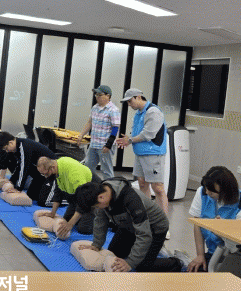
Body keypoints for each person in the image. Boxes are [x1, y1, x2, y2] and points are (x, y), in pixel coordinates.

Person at [75, 178, 181, 272]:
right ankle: (147, 251)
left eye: (96, 207)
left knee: (141, 266)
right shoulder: (101, 192)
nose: (97, 209)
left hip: (154, 229)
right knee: (114, 253)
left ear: (101, 197)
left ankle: (177, 262)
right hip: (128, 225)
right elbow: (100, 220)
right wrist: (96, 244)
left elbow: (144, 234)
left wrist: (130, 262)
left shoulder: (131, 200)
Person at [115, 88, 169, 238]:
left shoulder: (153, 112)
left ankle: (163, 226)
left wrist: (130, 140)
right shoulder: (138, 113)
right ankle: (149, 219)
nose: (129, 105)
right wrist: (128, 139)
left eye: (130, 101)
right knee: (142, 184)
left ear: (138, 97)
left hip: (153, 153)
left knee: (158, 188)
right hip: (140, 153)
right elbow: (137, 132)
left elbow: (148, 134)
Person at [187, 166, 241, 272]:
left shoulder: (240, 204)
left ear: (226, 191)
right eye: (206, 188)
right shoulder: (202, 192)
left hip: (233, 256)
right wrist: (200, 255)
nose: (208, 192)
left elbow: (236, 245)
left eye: (212, 190)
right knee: (193, 272)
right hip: (213, 253)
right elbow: (198, 224)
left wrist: (222, 230)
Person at [35, 156, 100, 236]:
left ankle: (99, 213)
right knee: (65, 220)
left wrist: (70, 224)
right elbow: (58, 192)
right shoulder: (57, 168)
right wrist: (52, 213)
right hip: (76, 195)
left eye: (46, 174)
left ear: (52, 167)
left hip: (92, 194)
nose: (45, 177)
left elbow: (83, 199)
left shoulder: (74, 174)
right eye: (42, 174)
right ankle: (83, 216)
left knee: (84, 229)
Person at [0, 131, 56, 201]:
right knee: (31, 195)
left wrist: (18, 189)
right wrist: (11, 181)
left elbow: (24, 168)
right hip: (40, 172)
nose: (7, 151)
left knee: (42, 201)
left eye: (6, 148)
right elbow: (19, 166)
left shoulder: (23, 146)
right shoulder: (17, 148)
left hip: (51, 172)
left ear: (10, 143)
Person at [77, 85, 120, 178]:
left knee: (106, 170)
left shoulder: (113, 110)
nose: (97, 97)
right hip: (94, 144)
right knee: (87, 167)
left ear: (108, 96)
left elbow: (115, 128)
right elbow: (89, 122)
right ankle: (90, 185)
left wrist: (109, 144)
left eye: (99, 95)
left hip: (105, 145)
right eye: (96, 95)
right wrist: (81, 135)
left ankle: (109, 186)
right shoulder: (95, 108)